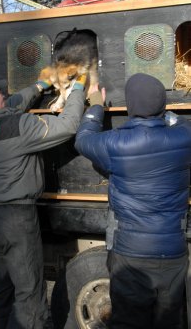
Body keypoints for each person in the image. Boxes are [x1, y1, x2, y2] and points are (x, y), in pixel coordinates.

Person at [0, 71, 86, 329]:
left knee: (2, 293)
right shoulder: (18, 126)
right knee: (30, 298)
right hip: (17, 222)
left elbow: (14, 103)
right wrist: (79, 89)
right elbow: (68, 126)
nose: (4, 95)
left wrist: (40, 84)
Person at [75, 73, 191, 329]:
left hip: (131, 254)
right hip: (173, 253)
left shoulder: (115, 144)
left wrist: (95, 105)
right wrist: (167, 116)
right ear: (161, 104)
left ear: (130, 106)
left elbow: (82, 140)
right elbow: (179, 124)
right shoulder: (185, 138)